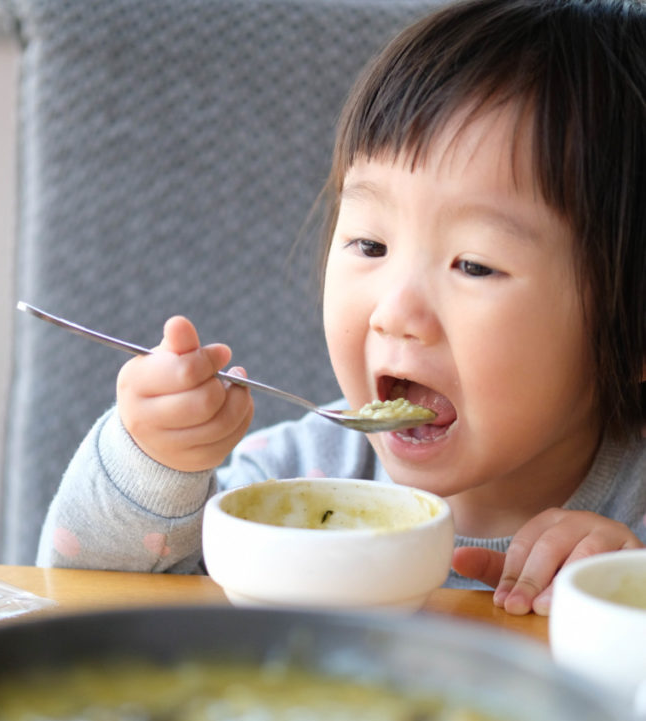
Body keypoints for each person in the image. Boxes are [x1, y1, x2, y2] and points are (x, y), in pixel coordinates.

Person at [37, 0, 646, 614]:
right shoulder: (285, 487)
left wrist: (625, 594)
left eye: (475, 264)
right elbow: (80, 604)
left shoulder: (632, 533)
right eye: (371, 244)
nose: (394, 311)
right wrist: (152, 467)